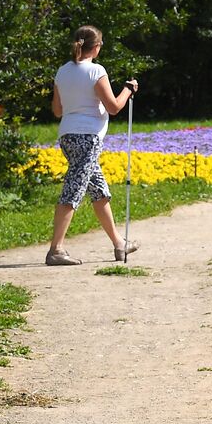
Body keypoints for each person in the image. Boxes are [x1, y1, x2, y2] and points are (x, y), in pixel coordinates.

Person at [46, 25, 140, 266]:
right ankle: (56, 249)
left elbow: (57, 110)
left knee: (98, 190)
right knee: (74, 189)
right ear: (96, 47)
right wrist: (128, 90)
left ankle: (120, 244)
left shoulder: (62, 71)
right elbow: (114, 107)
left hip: (67, 136)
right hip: (88, 138)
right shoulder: (96, 71)